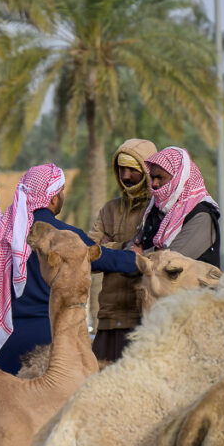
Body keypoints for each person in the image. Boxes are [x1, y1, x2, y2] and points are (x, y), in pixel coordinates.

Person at [0, 163, 138, 375]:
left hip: (5, 341)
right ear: (52, 198)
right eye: (61, 193)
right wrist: (138, 258)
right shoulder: (65, 235)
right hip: (51, 339)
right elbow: (106, 259)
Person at [88, 138, 158, 363]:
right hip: (109, 317)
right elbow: (88, 257)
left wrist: (106, 249)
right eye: (121, 169)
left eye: (132, 170)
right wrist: (124, 248)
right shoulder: (110, 209)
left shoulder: (158, 210)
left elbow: (155, 258)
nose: (125, 176)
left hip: (145, 318)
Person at [134, 146, 220, 268]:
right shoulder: (154, 211)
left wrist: (141, 255)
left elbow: (171, 262)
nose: (154, 184)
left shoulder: (201, 216)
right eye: (152, 178)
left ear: (179, 179)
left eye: (160, 178)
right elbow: (134, 244)